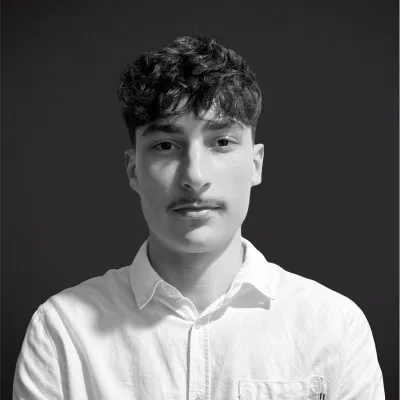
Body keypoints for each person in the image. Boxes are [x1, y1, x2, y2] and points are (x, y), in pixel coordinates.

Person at [13, 35, 384, 400]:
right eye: (165, 146)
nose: (194, 176)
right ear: (133, 170)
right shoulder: (62, 331)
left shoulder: (335, 328)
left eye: (221, 142)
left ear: (255, 164)